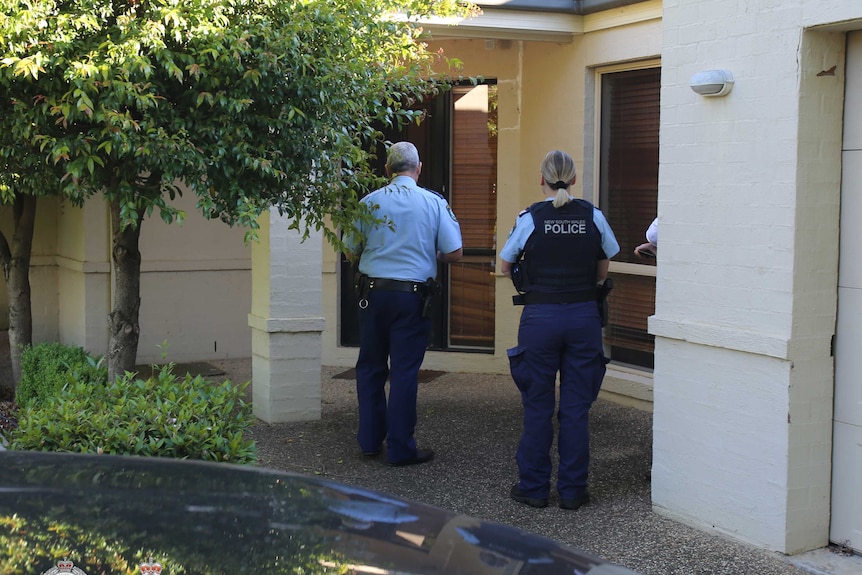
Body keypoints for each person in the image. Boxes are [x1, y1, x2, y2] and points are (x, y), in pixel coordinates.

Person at [499, 149, 619, 510]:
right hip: (583, 318)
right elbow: (603, 270)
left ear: (542, 180)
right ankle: (572, 491)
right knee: (575, 409)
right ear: (574, 179)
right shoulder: (592, 216)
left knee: (537, 406)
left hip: (540, 319)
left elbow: (505, 265)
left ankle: (534, 489)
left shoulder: (530, 217)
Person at [344, 141, 463, 467]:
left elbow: (350, 250)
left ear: (387, 170)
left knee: (369, 367)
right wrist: (429, 253)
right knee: (404, 372)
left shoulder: (368, 202)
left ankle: (369, 442)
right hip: (412, 298)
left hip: (372, 294)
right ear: (419, 168)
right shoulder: (433, 203)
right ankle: (400, 448)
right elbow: (454, 252)